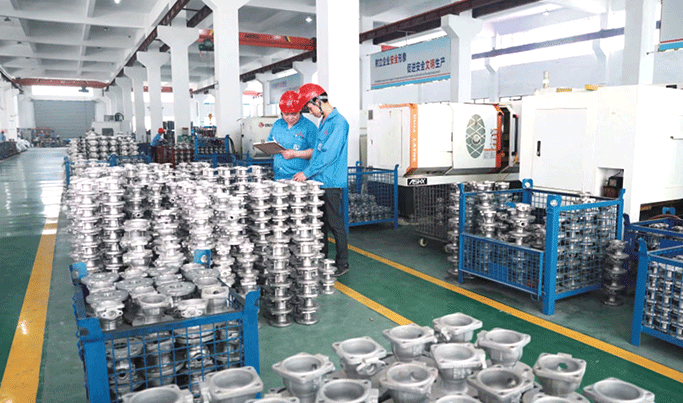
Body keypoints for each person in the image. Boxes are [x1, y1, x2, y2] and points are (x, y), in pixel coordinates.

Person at [293, 83, 349, 277]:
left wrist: (306, 173)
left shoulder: (339, 123)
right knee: (321, 222)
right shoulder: (324, 121)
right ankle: (323, 258)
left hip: (331, 181)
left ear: (318, 100)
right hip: (319, 180)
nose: (311, 112)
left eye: (310, 108)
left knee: (335, 223)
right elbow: (318, 153)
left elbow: (328, 155)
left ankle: (342, 263)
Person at [267, 91, 318, 181]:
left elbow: (316, 152)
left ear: (300, 110)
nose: (290, 118)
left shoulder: (309, 127)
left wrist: (295, 154)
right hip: (278, 176)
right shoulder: (277, 124)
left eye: (294, 114)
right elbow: (269, 143)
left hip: (299, 178)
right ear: (281, 112)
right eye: (286, 114)